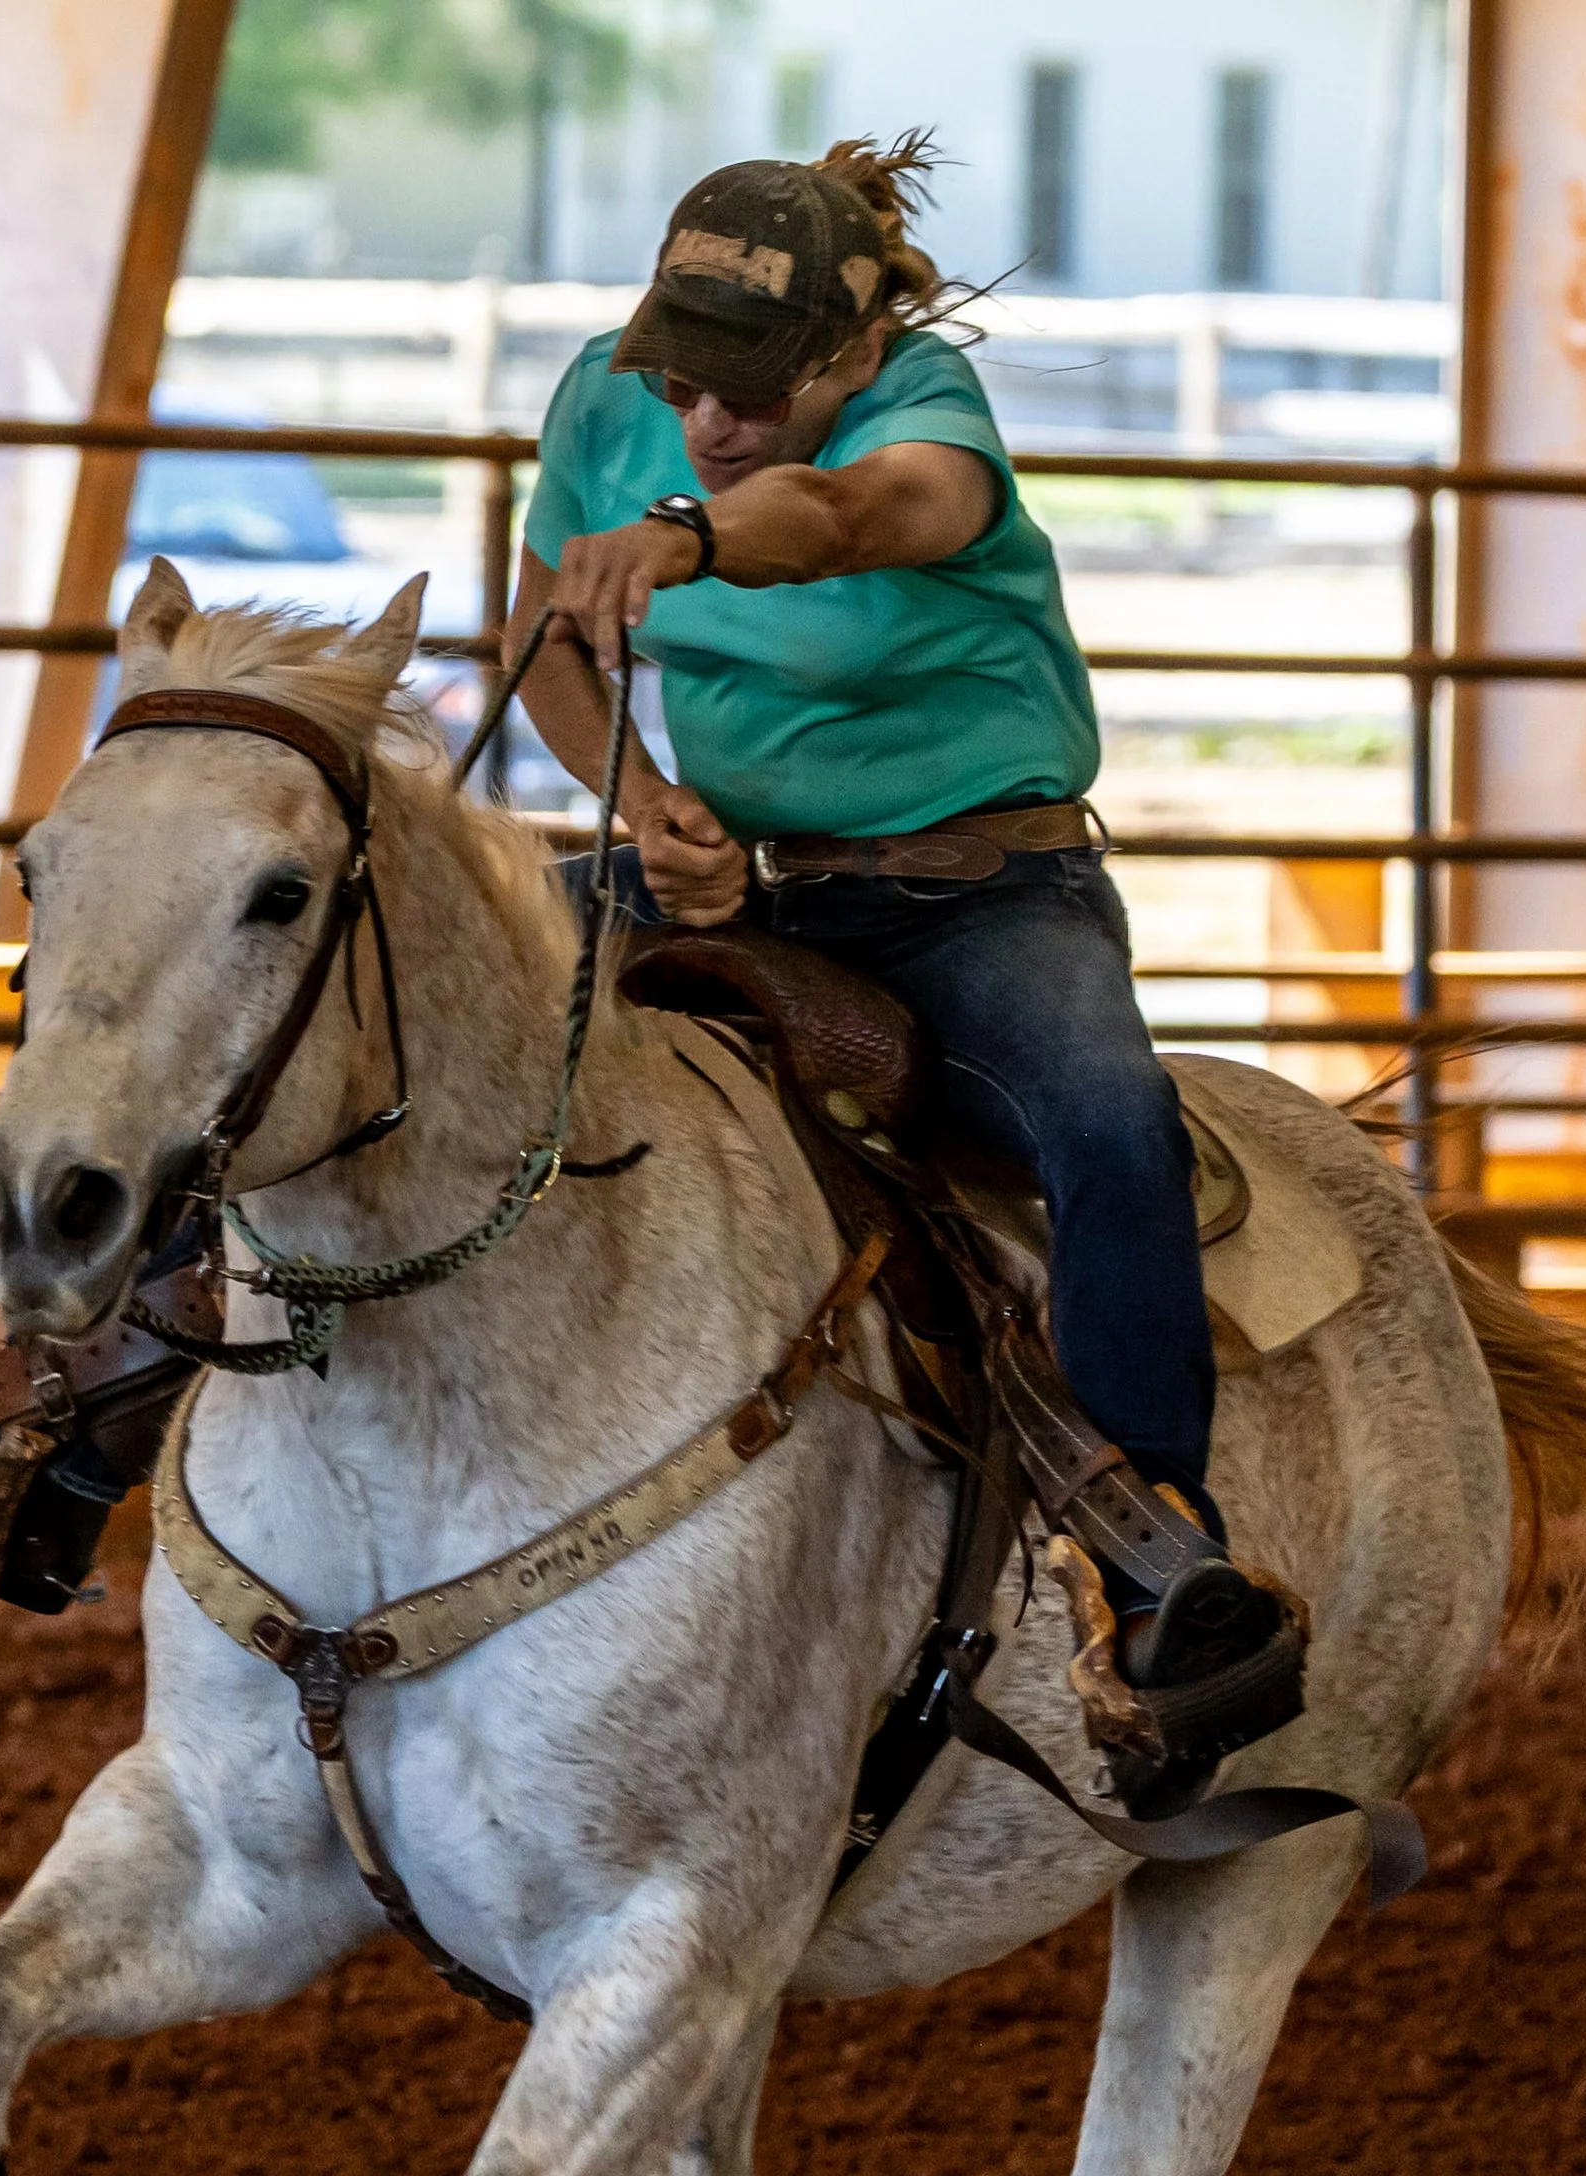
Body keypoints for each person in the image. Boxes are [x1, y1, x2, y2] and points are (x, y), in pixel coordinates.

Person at [513, 135, 1293, 1770]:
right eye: (681, 387)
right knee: (433, 998)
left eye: (750, 395)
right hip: (735, 881)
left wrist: (688, 535)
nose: (706, 425)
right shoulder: (609, 395)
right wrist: (648, 806)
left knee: (1107, 1123)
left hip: (980, 890)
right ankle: (96, 1401)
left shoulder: (925, 417)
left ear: (856, 355)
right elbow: (549, 649)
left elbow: (861, 513)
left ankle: (1162, 1558)